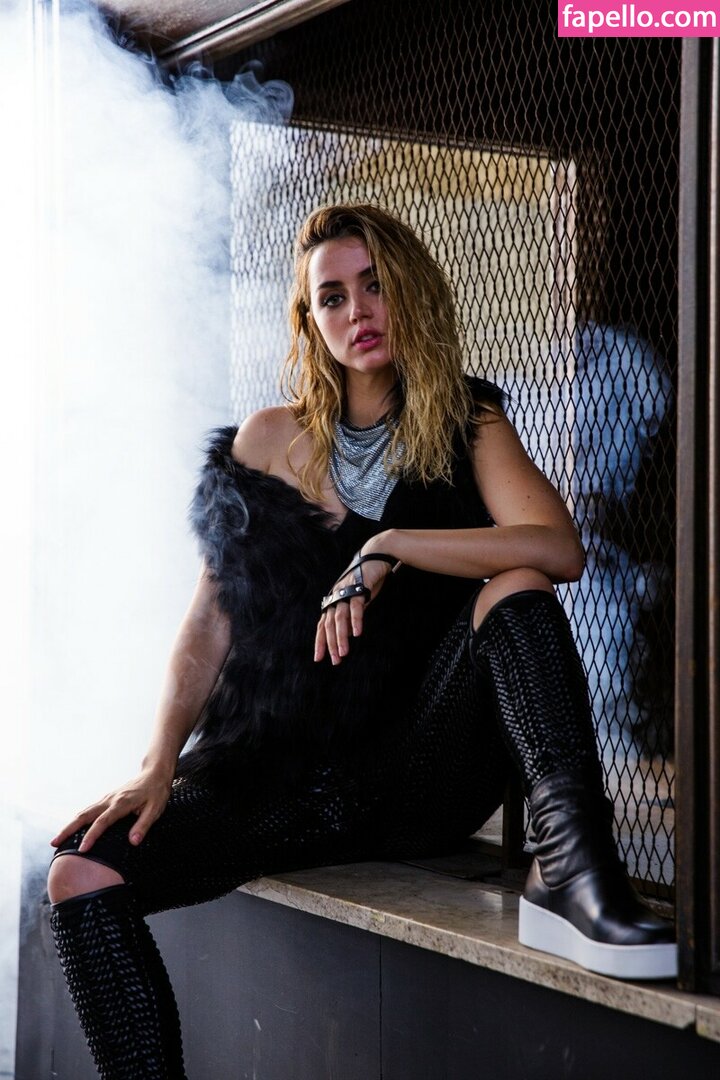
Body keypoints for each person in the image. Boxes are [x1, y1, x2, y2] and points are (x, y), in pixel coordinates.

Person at [47, 203, 676, 1080]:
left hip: (411, 773)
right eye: (333, 297)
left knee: (516, 586)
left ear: (409, 289)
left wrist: (391, 545)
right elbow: (210, 618)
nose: (358, 312)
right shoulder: (267, 442)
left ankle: (572, 866)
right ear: (311, 320)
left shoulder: (467, 423)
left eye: (375, 284)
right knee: (80, 876)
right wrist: (157, 764)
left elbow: (556, 548)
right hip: (273, 778)